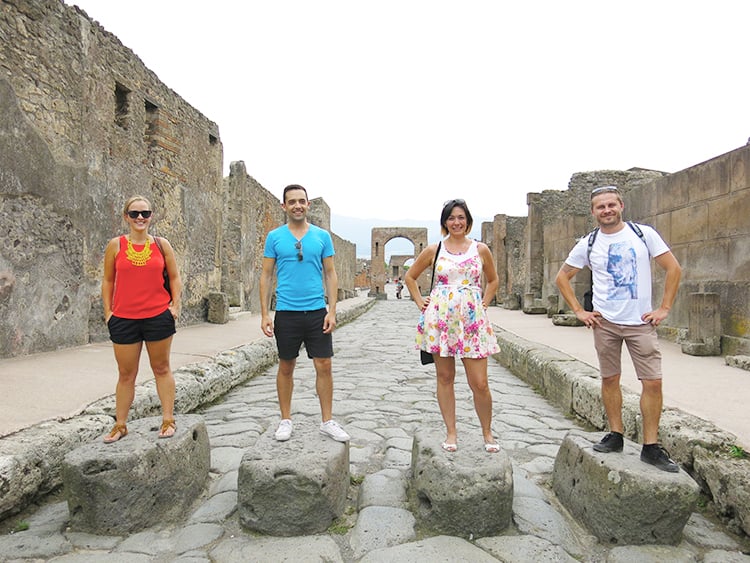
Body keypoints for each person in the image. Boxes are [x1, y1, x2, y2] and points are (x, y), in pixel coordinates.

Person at [555, 185, 682, 472]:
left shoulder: (643, 234)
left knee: (652, 382)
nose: (607, 210)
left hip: (640, 322)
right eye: (601, 206)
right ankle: (616, 434)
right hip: (606, 322)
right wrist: (578, 311)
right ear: (593, 212)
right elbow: (562, 277)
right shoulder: (589, 243)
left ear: (621, 206)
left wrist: (664, 308)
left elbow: (673, 268)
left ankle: (651, 446)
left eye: (611, 205)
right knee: (610, 378)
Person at [404, 199, 500, 453]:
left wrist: (483, 305)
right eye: (451, 218)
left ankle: (487, 432)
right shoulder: (435, 250)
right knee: (445, 377)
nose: (456, 222)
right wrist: (419, 301)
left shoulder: (480, 250)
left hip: (471, 320)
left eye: (460, 217)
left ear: (468, 221)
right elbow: (410, 277)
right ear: (445, 222)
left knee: (479, 382)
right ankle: (451, 431)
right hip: (441, 319)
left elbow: (492, 280)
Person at [260, 184, 350, 443]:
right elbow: (266, 275)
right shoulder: (275, 237)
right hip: (286, 312)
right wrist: (265, 313)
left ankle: (327, 421)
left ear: (308, 205)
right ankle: (285, 420)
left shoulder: (322, 236)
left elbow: (330, 273)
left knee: (324, 365)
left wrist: (332, 310)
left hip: (316, 311)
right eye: (292, 201)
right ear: (284, 206)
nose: (297, 205)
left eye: (302, 201)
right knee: (286, 365)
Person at [101, 195, 182, 443]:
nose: (140, 218)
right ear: (126, 217)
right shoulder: (116, 246)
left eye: (145, 213)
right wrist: (108, 313)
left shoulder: (161, 245)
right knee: (126, 374)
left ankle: (168, 419)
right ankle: (120, 424)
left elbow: (175, 277)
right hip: (124, 318)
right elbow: (108, 281)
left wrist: (175, 306)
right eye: (135, 214)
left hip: (157, 315)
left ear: (151, 216)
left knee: (161, 368)